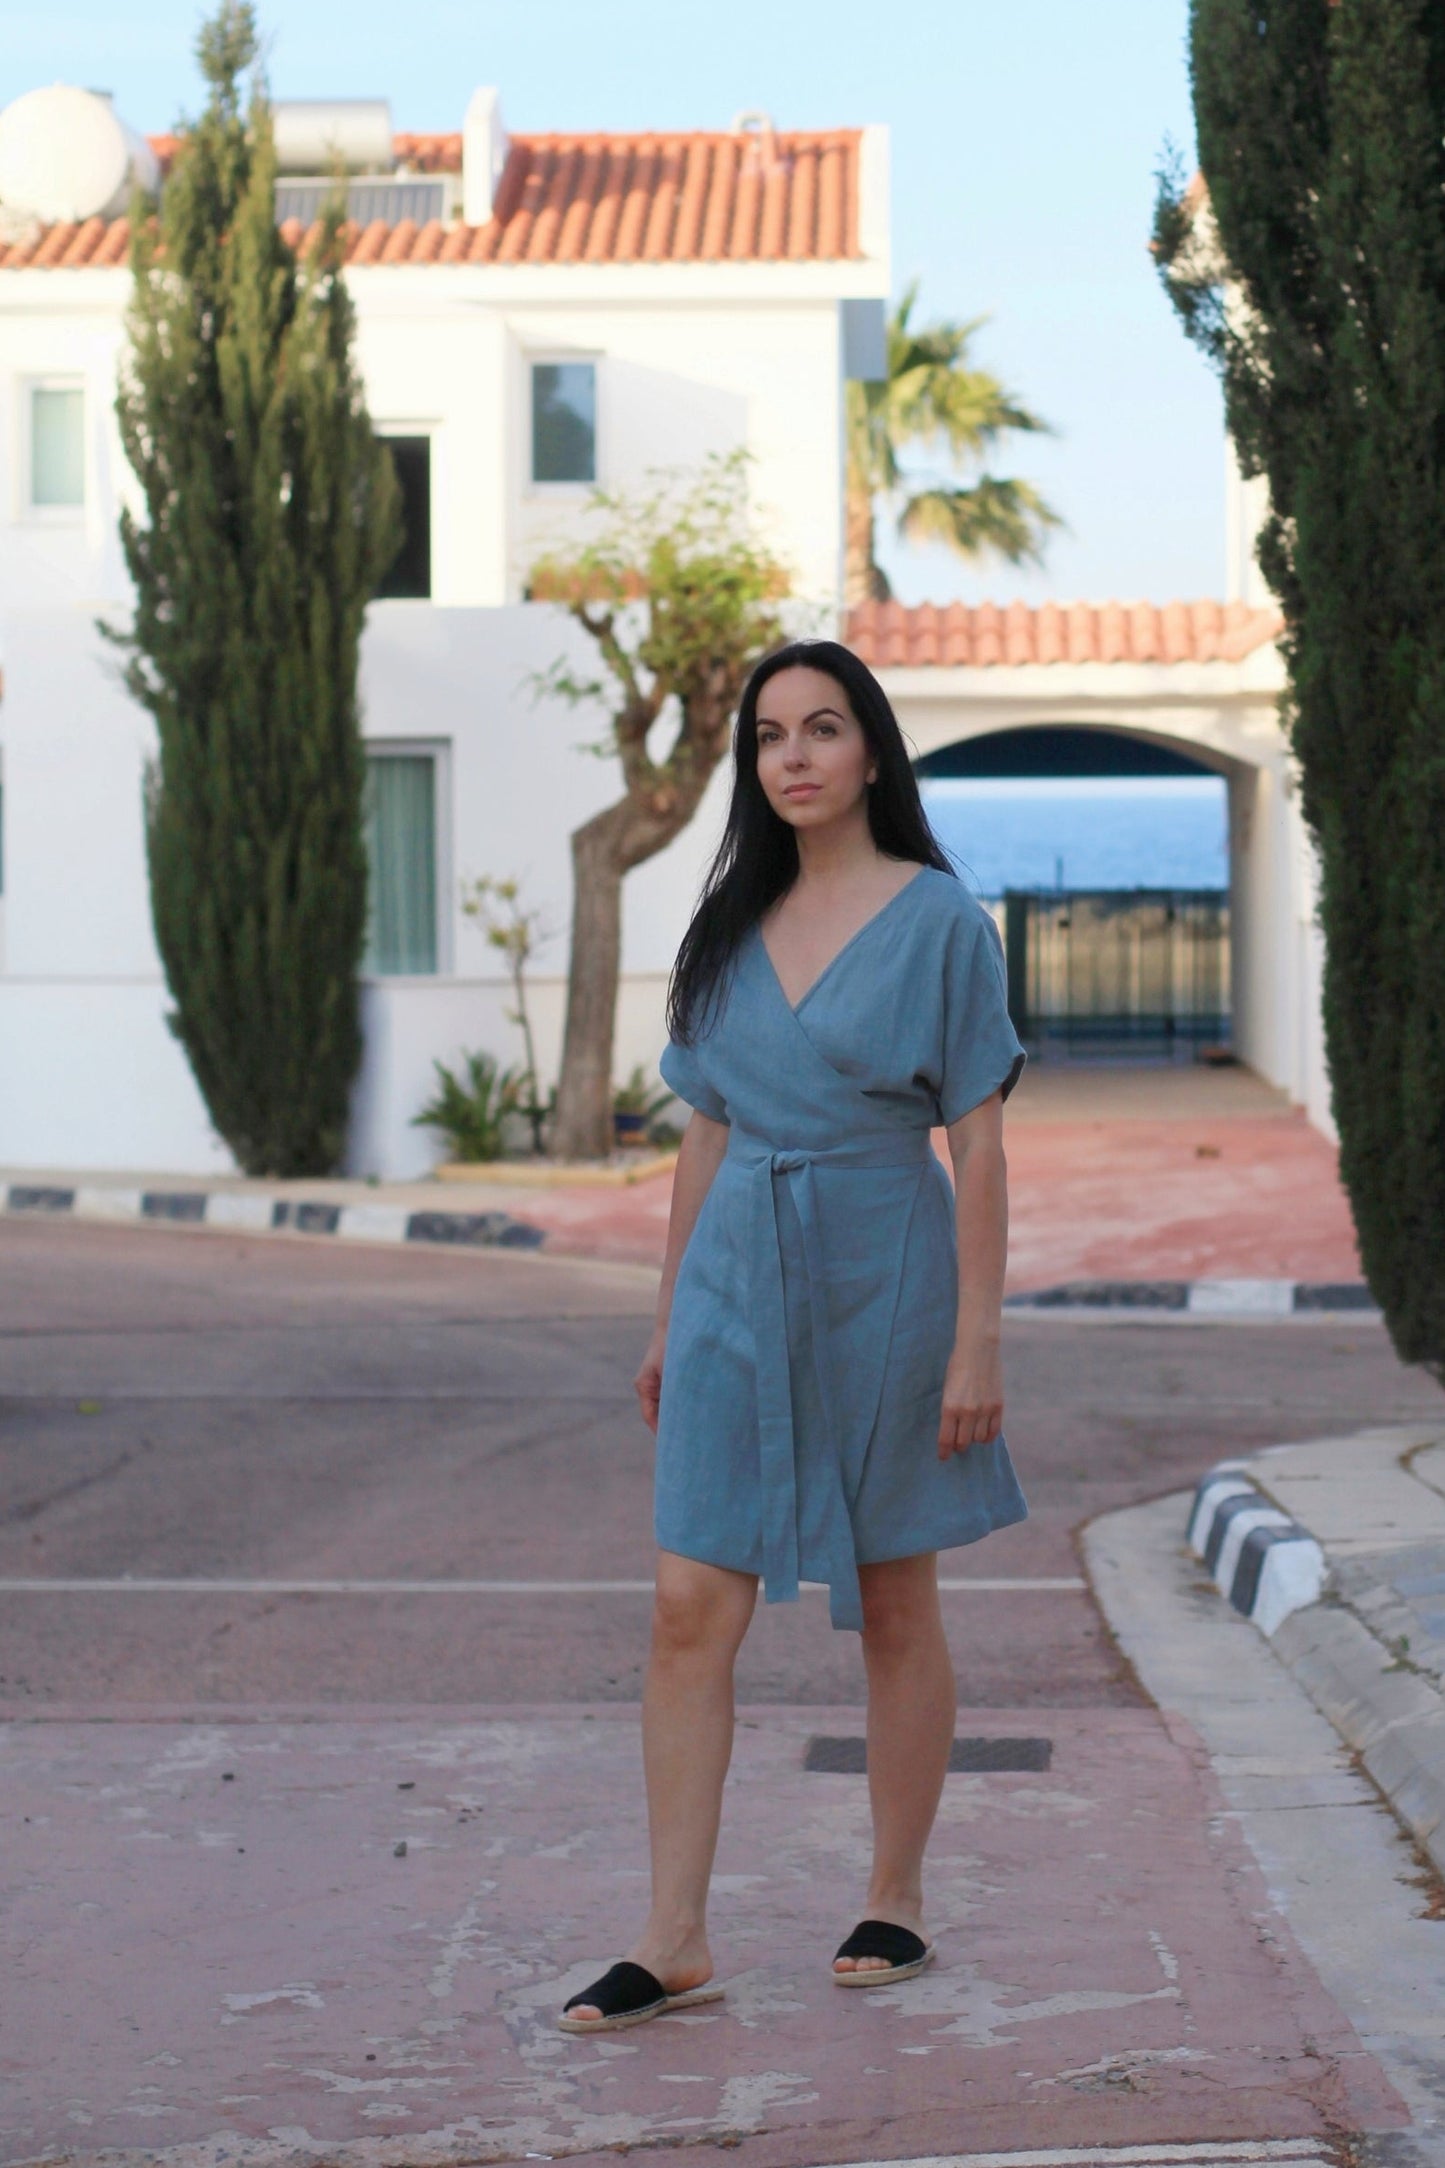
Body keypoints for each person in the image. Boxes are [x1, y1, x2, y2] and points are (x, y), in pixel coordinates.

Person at [558, 638, 1027, 2036]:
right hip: (730, 1291)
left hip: (884, 1272)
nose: (794, 756)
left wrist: (979, 1341)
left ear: (870, 750)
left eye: (822, 729)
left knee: (893, 1603)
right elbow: (707, 1130)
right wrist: (665, 1321)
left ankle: (894, 1895)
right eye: (771, 737)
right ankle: (672, 1934)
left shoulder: (941, 919)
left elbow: (981, 1140)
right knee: (687, 1603)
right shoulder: (725, 925)